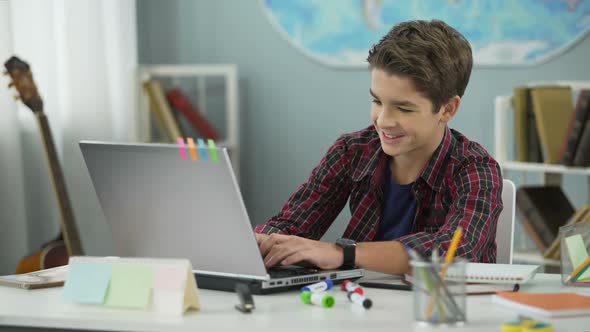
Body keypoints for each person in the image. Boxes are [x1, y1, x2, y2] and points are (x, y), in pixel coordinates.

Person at [255, 19, 503, 275]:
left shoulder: (476, 169)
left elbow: (457, 250)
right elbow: (292, 225)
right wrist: (260, 243)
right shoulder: (351, 152)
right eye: (377, 101)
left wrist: (342, 253)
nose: (383, 120)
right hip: (362, 305)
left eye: (404, 108)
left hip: (440, 310)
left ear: (447, 109)